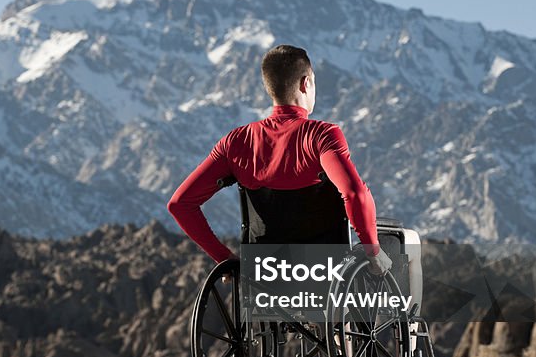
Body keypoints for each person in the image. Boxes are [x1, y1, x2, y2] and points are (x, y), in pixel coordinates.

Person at [166, 44, 392, 275]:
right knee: (405, 241)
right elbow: (354, 193)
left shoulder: (236, 142)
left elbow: (180, 204)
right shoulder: (321, 135)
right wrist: (372, 250)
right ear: (306, 84)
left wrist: (225, 259)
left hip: (265, 278)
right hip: (326, 275)